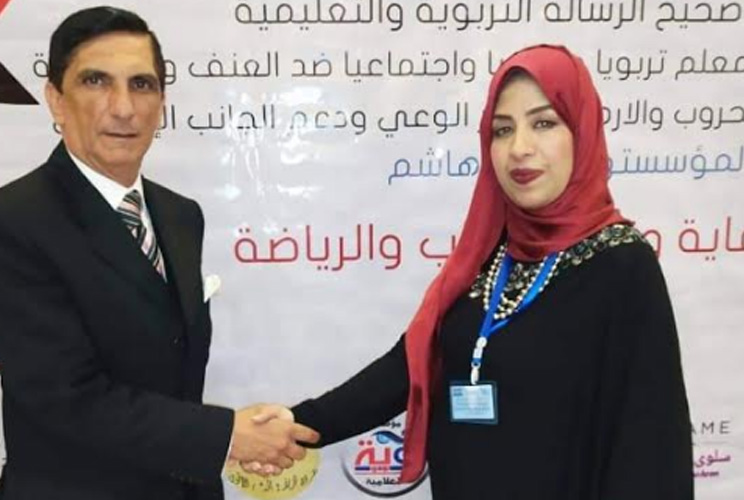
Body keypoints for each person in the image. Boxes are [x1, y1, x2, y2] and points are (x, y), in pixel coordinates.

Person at [284, 45, 694, 499]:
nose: (520, 148)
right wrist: (297, 425)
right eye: (503, 129)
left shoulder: (621, 265)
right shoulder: (489, 255)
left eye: (544, 123)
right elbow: (408, 366)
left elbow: (652, 449)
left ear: (581, 131)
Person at [0, 6, 317, 500]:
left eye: (142, 85)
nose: (124, 108)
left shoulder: (180, 215)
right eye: (96, 82)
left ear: (162, 103)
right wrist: (225, 436)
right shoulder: (7, 222)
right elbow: (65, 397)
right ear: (56, 100)